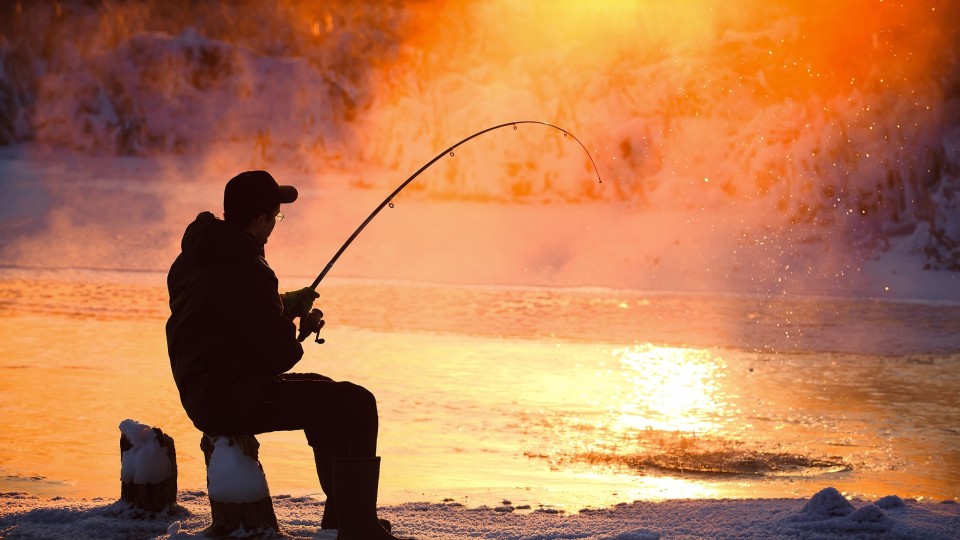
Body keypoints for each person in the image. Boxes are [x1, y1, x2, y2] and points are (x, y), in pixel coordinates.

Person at [166, 170, 405, 539]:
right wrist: (301, 329)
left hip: (204, 387)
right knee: (357, 404)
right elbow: (279, 355)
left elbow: (229, 313)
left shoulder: (198, 256)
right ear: (259, 219)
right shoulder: (247, 267)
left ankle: (342, 518)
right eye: (275, 217)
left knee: (328, 393)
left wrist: (284, 304)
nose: (276, 224)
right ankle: (358, 528)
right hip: (230, 397)